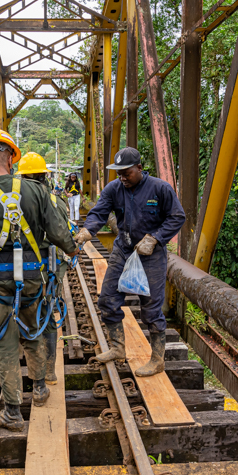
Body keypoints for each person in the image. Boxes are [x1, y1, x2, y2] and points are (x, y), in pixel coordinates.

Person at [0, 130, 78, 431]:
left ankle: (13, 411)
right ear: (13, 158)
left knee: (4, 343)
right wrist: (72, 250)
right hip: (32, 280)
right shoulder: (38, 192)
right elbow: (59, 233)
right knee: (33, 332)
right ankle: (39, 389)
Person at [74, 147, 186, 376]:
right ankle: (117, 348)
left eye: (127, 173)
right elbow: (99, 212)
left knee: (152, 308)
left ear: (139, 168)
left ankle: (157, 360)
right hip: (123, 250)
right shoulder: (114, 188)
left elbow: (177, 217)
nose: (123, 178)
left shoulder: (160, 188)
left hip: (151, 255)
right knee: (107, 299)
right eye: (119, 174)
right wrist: (88, 230)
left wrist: (156, 238)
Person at [17, 152, 73, 385]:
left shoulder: (9, 198)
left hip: (18, 264)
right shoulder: (53, 200)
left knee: (16, 310)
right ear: (44, 177)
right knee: (48, 311)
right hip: (47, 264)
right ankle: (48, 371)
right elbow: (61, 233)